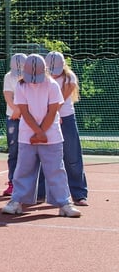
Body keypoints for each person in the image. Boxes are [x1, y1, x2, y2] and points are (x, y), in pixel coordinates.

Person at [2, 54, 81, 217]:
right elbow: (24, 111)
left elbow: (53, 111)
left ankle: (64, 203)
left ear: (45, 70)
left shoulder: (52, 85)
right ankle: (17, 201)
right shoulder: (21, 86)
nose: (33, 81)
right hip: (27, 136)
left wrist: (41, 132)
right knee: (23, 169)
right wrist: (38, 133)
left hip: (51, 136)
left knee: (56, 170)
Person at [45, 51, 88, 206]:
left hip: (66, 119)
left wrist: (53, 115)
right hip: (46, 119)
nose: (53, 73)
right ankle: (41, 194)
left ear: (63, 65)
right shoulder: (41, 78)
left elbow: (59, 101)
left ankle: (79, 194)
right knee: (45, 156)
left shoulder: (70, 78)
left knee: (72, 157)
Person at [2, 53, 27, 196]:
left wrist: (23, 111)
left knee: (30, 151)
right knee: (13, 151)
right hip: (13, 117)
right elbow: (8, 95)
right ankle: (12, 183)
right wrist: (15, 110)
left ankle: (31, 184)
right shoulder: (8, 76)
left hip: (29, 117)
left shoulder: (33, 77)